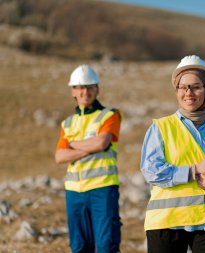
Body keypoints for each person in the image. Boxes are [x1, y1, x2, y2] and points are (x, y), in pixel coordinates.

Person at [140, 55, 205, 253]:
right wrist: (195, 170)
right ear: (176, 90)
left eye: (196, 86)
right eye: (183, 87)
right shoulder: (160, 128)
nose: (189, 93)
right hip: (166, 221)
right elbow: (151, 171)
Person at [55, 64, 122, 253]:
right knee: (79, 246)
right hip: (74, 192)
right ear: (73, 91)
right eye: (80, 87)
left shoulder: (109, 115)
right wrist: (89, 147)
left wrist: (73, 144)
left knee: (106, 245)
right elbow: (59, 156)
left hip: (102, 188)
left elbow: (101, 143)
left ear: (97, 89)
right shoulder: (67, 122)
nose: (85, 92)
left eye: (90, 87)